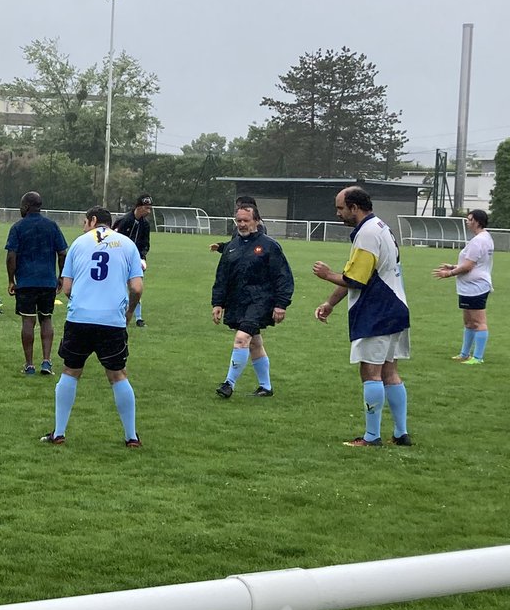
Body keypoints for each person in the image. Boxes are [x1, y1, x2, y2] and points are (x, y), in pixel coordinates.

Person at [313, 186, 412, 447]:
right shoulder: (380, 226)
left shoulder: (367, 233)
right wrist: (330, 302)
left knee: (371, 372)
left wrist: (326, 274)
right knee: (390, 371)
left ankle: (371, 437)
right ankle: (401, 433)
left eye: (340, 208)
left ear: (355, 208)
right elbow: (357, 274)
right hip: (396, 307)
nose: (338, 213)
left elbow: (355, 279)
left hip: (378, 309)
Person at [41, 207, 144, 447]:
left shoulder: (78, 243)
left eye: (85, 222)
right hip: (112, 321)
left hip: (80, 319)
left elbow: (66, 287)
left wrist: (82, 301)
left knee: (70, 371)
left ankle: (59, 433)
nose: (83, 226)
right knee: (117, 375)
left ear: (94, 221)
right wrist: (129, 311)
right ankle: (131, 436)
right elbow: (137, 288)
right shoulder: (128, 244)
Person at [211, 203, 294, 398]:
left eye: (246, 220)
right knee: (254, 343)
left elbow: (283, 276)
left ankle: (228, 384)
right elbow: (222, 278)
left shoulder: (269, 246)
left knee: (242, 339)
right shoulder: (231, 247)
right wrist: (217, 303)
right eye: (238, 221)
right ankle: (266, 387)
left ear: (256, 221)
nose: (241, 224)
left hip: (260, 301)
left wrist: (281, 304)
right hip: (237, 301)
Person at [5, 191, 68, 375]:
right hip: (47, 281)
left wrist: (11, 279)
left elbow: (11, 255)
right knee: (46, 318)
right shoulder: (52, 226)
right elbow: (63, 252)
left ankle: (29, 364)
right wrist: (61, 276)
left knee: (28, 320)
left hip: (25, 282)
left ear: (25, 206)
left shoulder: (18, 227)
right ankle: (47, 362)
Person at [433, 208, 494, 364]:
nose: (467, 222)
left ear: (477, 221)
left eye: (469, 219)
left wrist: (449, 274)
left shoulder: (479, 241)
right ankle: (464, 353)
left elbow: (468, 266)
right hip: (469, 286)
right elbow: (473, 263)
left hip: (476, 286)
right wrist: (454, 266)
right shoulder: (483, 238)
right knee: (468, 322)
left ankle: (478, 357)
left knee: (478, 322)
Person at [113, 194, 152, 326]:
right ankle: (117, 313)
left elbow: (145, 244)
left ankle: (138, 318)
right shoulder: (124, 221)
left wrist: (142, 257)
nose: (149, 211)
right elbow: (113, 240)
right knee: (119, 287)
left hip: (135, 260)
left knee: (136, 288)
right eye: (146, 208)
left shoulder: (145, 225)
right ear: (139, 207)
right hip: (120, 260)